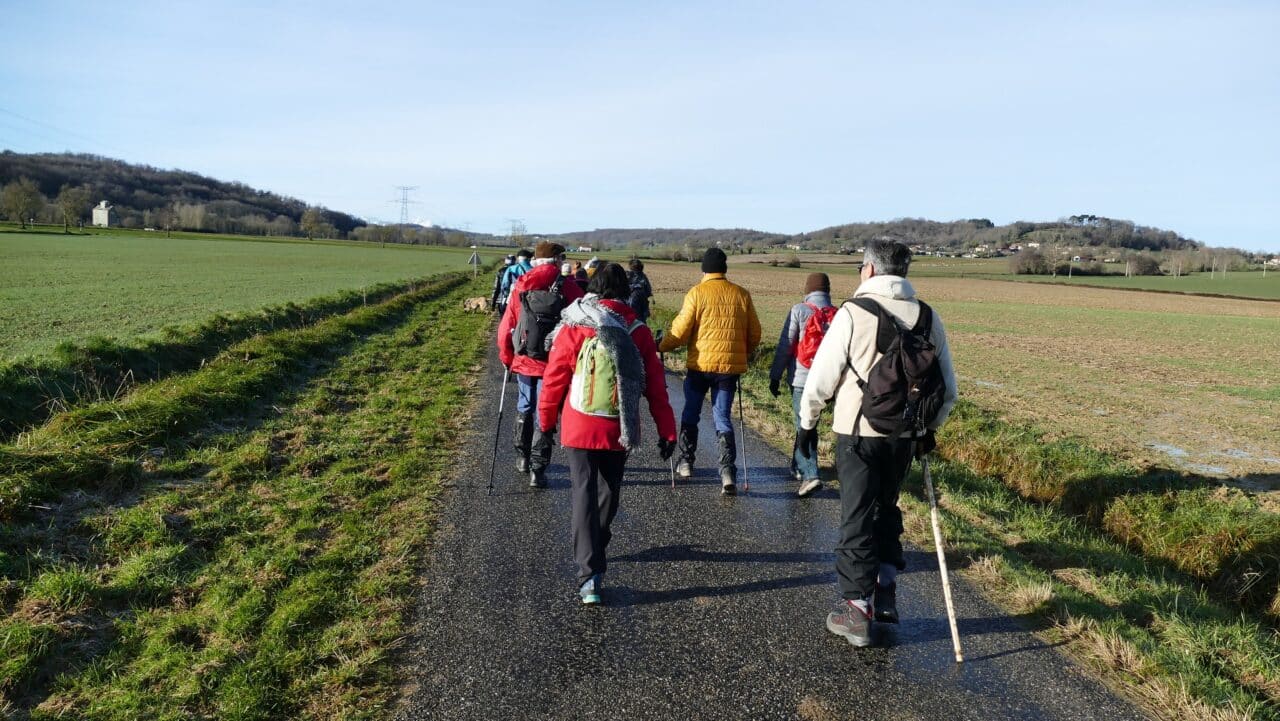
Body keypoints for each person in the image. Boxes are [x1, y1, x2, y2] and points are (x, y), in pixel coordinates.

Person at [799, 239, 958, 647]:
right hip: (904, 436)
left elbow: (822, 377)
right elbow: (949, 390)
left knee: (856, 517)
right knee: (887, 508)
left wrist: (807, 422)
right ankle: (885, 590)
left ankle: (855, 610)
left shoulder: (853, 313)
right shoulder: (927, 316)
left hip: (857, 432)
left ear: (869, 269)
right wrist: (927, 429)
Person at [539, 263, 677, 605]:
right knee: (608, 493)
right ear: (624, 292)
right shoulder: (637, 330)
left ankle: (589, 575)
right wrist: (667, 430)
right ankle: (597, 547)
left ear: (594, 288)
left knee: (583, 494)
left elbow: (555, 377)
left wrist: (545, 422)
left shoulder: (576, 325)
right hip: (619, 427)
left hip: (578, 423)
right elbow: (656, 388)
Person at [657, 247, 762, 494]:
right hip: (728, 369)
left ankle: (686, 463)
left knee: (691, 412)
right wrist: (740, 351)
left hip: (699, 367)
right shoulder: (741, 295)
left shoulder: (697, 293)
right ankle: (727, 473)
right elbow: (755, 334)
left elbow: (680, 332)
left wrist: (660, 345)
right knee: (722, 417)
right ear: (724, 269)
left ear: (704, 269)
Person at [497, 242, 585, 487]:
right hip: (554, 362)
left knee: (525, 404)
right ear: (556, 260)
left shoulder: (522, 284)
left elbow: (507, 325)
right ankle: (538, 469)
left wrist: (507, 357)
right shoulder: (569, 288)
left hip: (525, 359)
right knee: (544, 412)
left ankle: (522, 457)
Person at [768, 272, 834, 498]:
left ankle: (810, 475)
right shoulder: (838, 314)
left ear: (807, 290)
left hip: (801, 379)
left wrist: (775, 376)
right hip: (827, 382)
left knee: (804, 425)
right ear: (827, 290)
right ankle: (798, 466)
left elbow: (785, 345)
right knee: (808, 423)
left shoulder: (799, 310)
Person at [497, 248, 534, 313]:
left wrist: (505, 297)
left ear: (519, 259)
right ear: (529, 259)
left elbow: (505, 285)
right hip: (529, 301)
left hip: (513, 299)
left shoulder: (511, 269)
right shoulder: (534, 270)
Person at [626, 258, 653, 322]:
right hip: (643, 304)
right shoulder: (644, 276)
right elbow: (649, 291)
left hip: (631, 302)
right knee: (642, 323)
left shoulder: (628, 275)